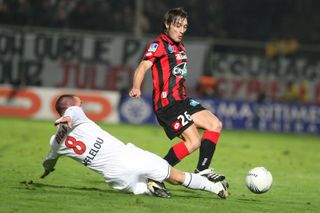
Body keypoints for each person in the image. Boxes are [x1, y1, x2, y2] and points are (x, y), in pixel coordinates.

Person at [40, 94, 229, 199]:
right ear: (71, 108)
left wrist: (47, 170)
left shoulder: (55, 142)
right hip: (128, 156)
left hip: (115, 178)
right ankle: (215, 188)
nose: (82, 105)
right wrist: (68, 117)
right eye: (80, 103)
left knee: (144, 191)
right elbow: (72, 111)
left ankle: (151, 187)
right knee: (176, 177)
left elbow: (49, 161)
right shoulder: (76, 115)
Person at [129, 7, 227, 184]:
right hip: (168, 104)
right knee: (194, 141)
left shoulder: (180, 46)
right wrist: (136, 86)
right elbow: (143, 66)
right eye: (178, 26)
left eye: (185, 27)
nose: (182, 30)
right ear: (167, 24)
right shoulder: (158, 44)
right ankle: (156, 176)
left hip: (182, 100)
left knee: (215, 124)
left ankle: (202, 169)